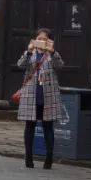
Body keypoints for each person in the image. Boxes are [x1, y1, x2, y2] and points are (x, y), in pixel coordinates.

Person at [16, 28, 64, 169]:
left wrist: (52, 51)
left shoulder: (51, 55)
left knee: (48, 127)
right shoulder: (30, 54)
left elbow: (60, 65)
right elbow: (20, 65)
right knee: (29, 126)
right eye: (39, 38)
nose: (41, 41)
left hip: (48, 96)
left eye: (45, 39)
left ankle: (49, 158)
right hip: (31, 94)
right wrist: (29, 50)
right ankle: (28, 157)